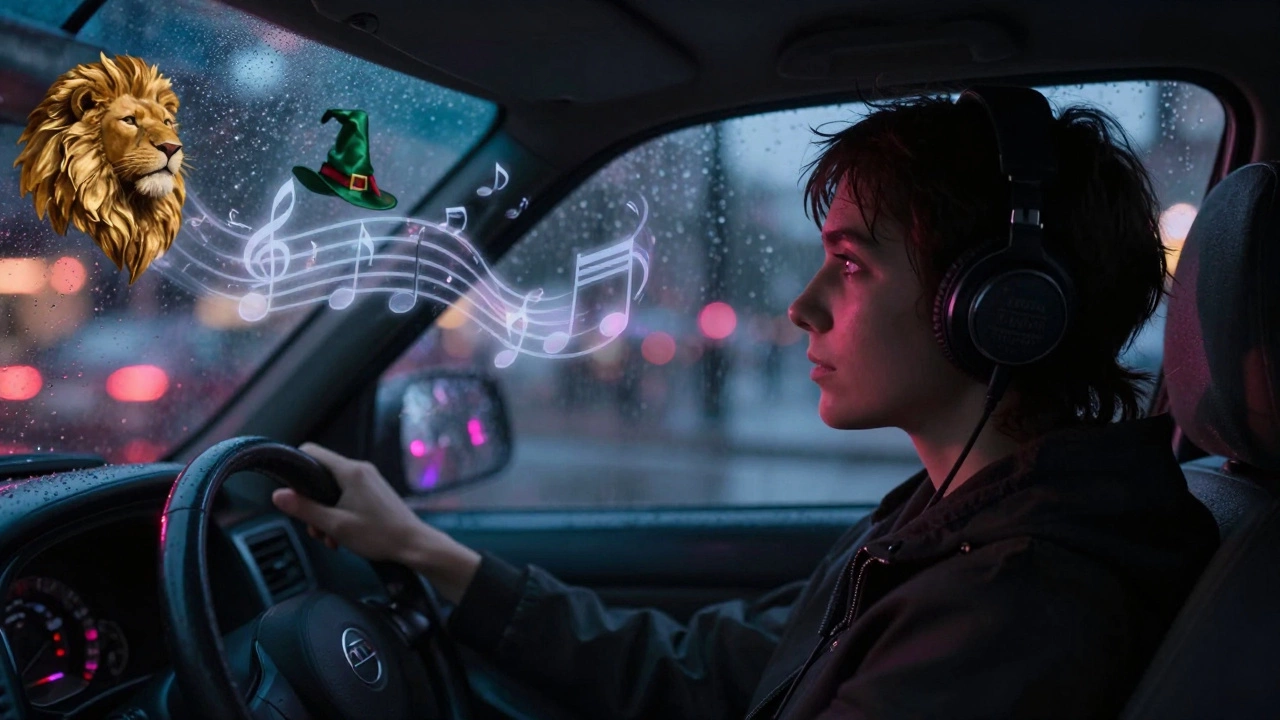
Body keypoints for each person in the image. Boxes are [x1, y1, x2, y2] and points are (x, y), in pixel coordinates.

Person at [272, 89, 1219, 719]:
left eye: (850, 265)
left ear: (1001, 310)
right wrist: (420, 548)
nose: (802, 307)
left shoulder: (1012, 608)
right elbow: (709, 669)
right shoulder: (947, 524)